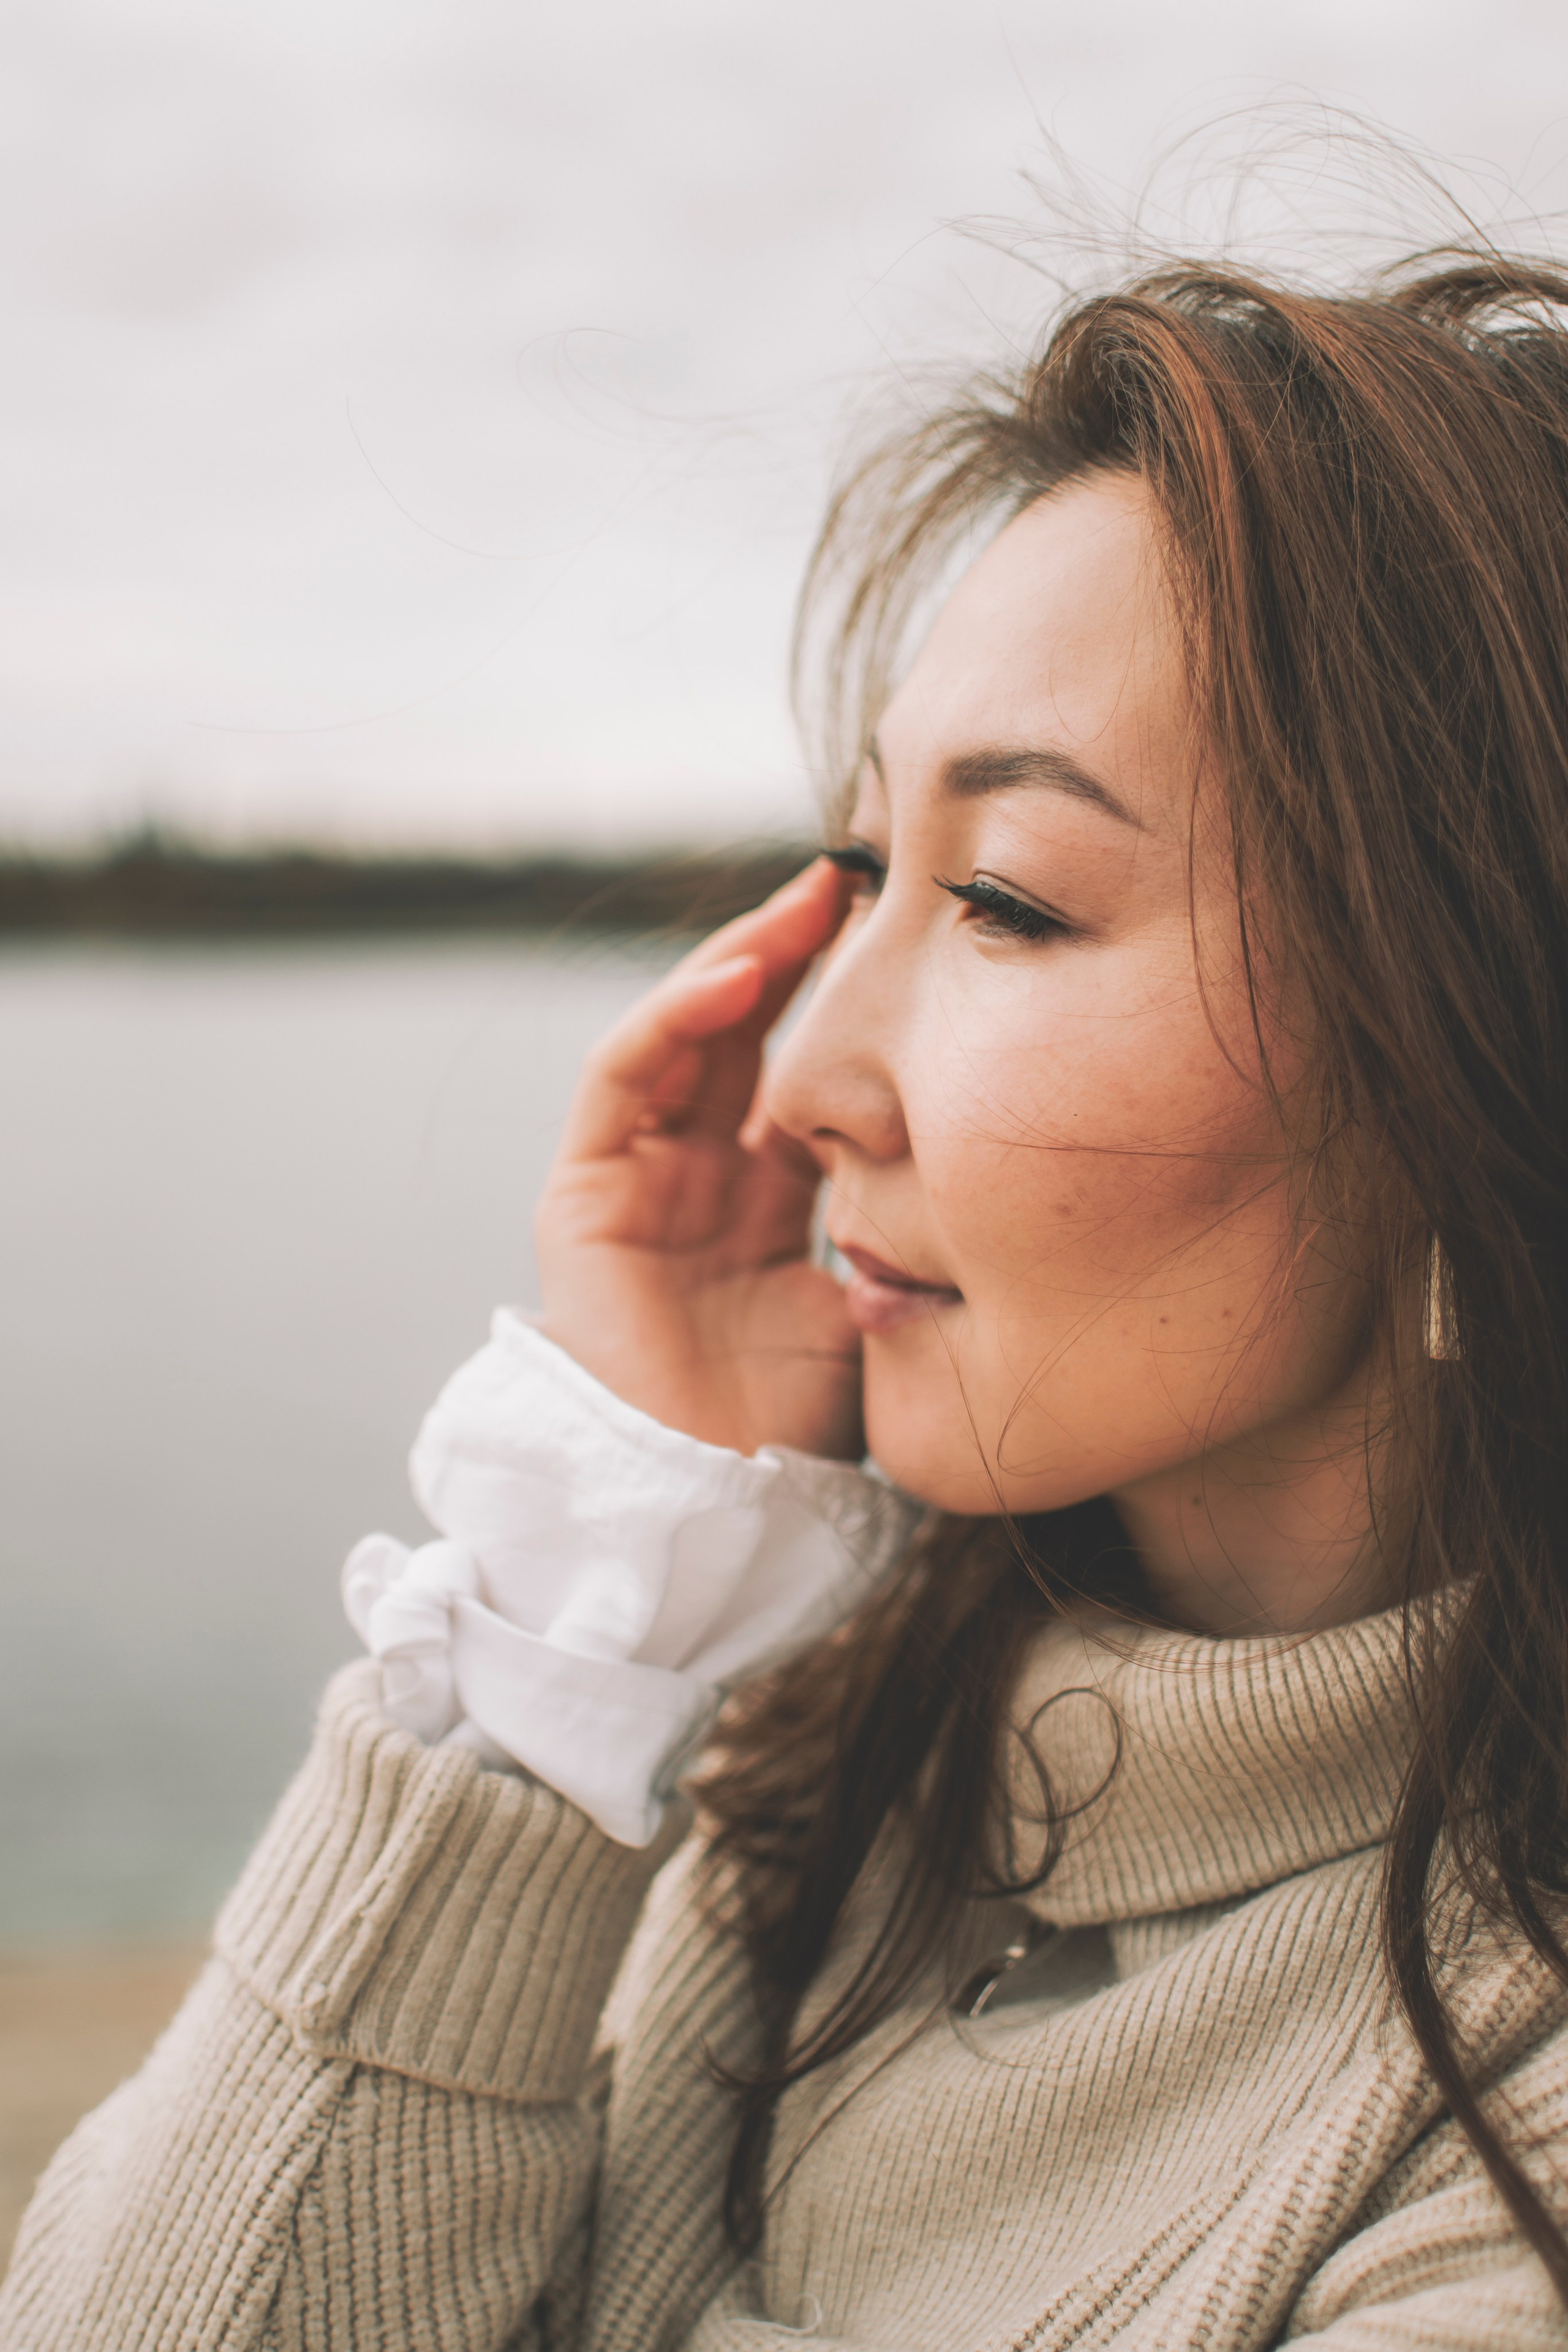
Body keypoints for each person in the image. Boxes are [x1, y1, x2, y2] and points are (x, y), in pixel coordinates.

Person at [7, 239, 1568, 2352]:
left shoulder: (1506, 2164)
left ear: (1485, 1063)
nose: (807, 1077)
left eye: (1008, 900)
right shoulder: (815, 1772)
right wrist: (594, 1585)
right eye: (854, 881)